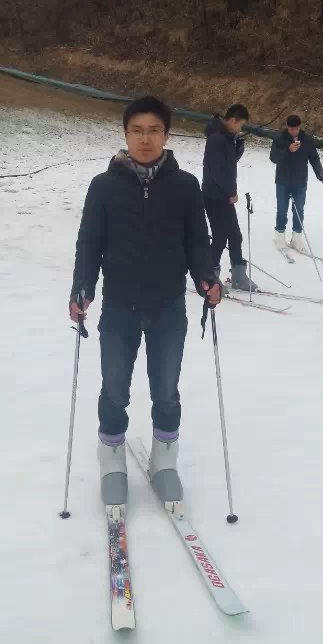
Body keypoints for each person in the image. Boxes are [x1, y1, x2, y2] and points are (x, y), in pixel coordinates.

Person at [69, 96, 221, 506]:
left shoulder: (185, 186)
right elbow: (89, 243)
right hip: (119, 306)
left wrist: (207, 277)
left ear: (166, 135)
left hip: (167, 306)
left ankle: (164, 461)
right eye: (137, 130)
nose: (145, 138)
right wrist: (82, 287)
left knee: (166, 389)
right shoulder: (103, 186)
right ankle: (112, 461)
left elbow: (197, 241)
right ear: (125, 134)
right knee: (114, 389)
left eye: (154, 130)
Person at [202, 104, 258, 292]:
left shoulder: (226, 138)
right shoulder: (216, 139)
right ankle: (209, 277)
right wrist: (231, 192)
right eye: (240, 124)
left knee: (234, 235)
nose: (240, 128)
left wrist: (238, 146)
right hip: (214, 195)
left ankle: (239, 276)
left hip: (223, 195)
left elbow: (229, 163)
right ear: (233, 120)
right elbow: (218, 172)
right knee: (220, 236)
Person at [269, 114, 323, 254]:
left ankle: (296, 238)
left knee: (299, 210)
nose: (294, 131)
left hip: (300, 181)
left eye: (296, 128)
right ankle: (280, 236)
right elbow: (273, 158)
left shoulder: (307, 140)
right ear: (287, 127)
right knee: (282, 209)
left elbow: (314, 158)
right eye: (291, 128)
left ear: (299, 127)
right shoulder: (280, 138)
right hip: (283, 181)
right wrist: (288, 150)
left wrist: (320, 173)